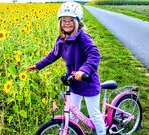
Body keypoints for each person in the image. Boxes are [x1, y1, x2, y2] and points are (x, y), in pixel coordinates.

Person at [27, 1, 106, 135]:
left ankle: (102, 132)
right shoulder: (61, 39)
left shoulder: (83, 37)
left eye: (71, 20)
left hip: (88, 82)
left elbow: (94, 54)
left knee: (94, 114)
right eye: (64, 20)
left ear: (78, 22)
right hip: (73, 82)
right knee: (73, 113)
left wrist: (83, 70)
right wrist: (38, 65)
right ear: (60, 22)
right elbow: (53, 55)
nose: (67, 23)